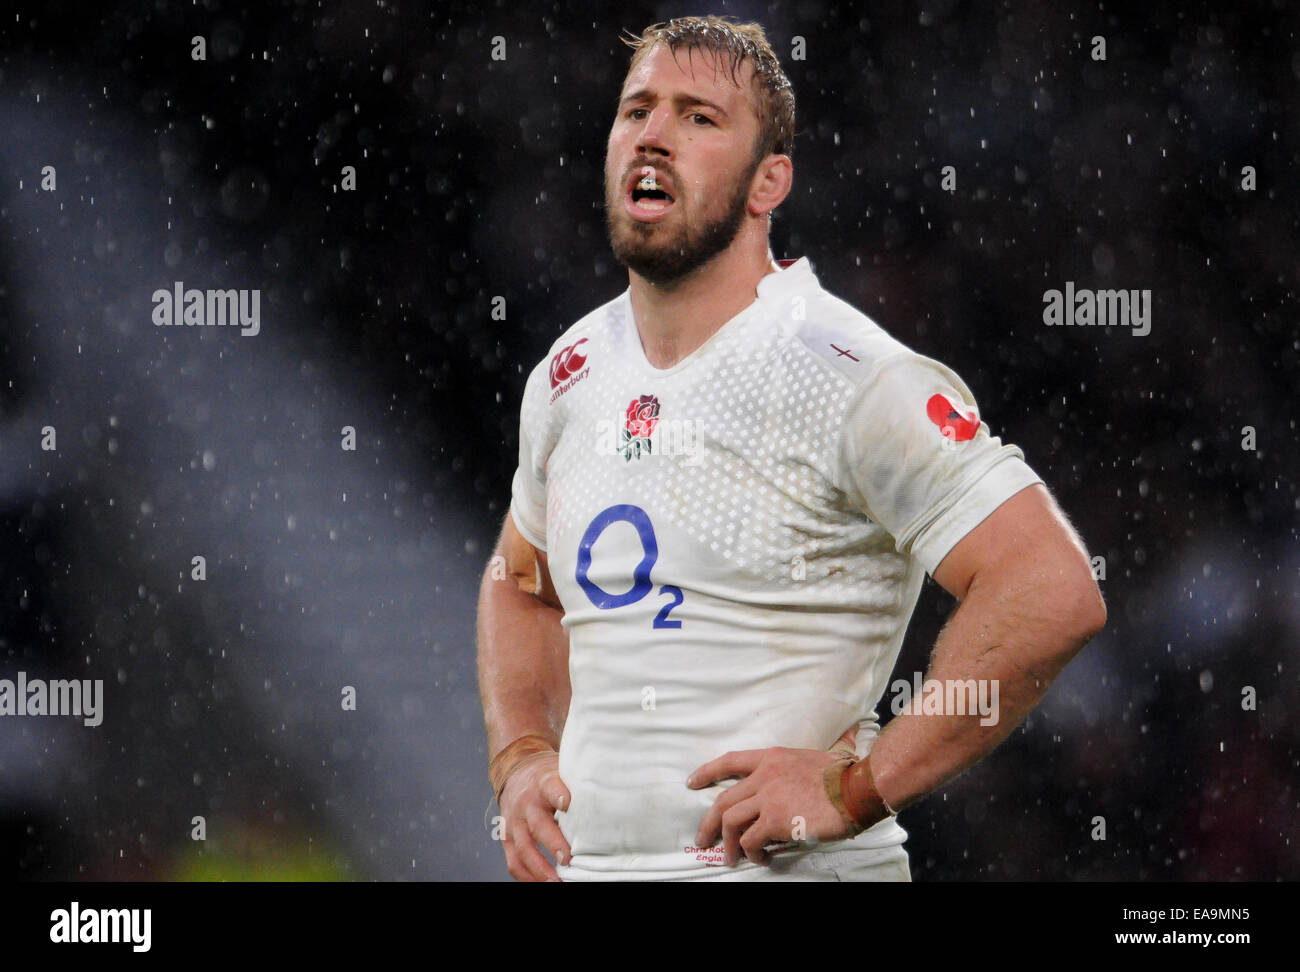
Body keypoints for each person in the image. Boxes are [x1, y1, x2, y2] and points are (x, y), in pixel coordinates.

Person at [476, 14, 1106, 882]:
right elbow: (520, 585)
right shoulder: (567, 374)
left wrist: (854, 789)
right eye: (637, 111)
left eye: (699, 118)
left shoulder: (848, 372)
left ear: (769, 182)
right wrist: (518, 759)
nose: (654, 136)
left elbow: (1049, 590)